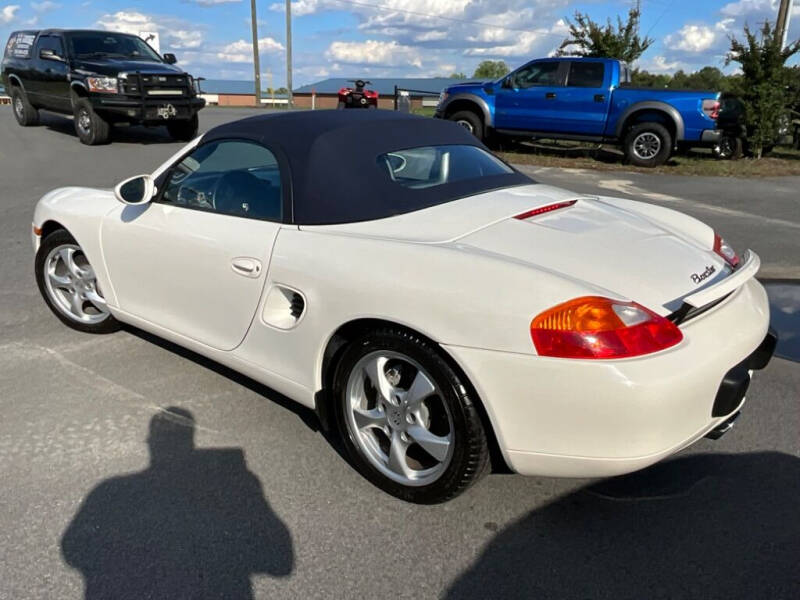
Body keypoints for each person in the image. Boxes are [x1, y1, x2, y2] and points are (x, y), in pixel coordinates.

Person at [62, 407, 293, 599]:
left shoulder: (110, 491)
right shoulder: (227, 485)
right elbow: (280, 560)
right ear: (190, 443)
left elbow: (73, 548)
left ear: (150, 443)